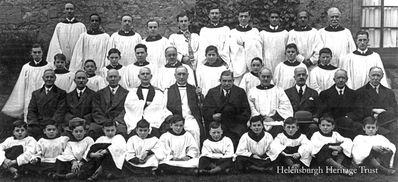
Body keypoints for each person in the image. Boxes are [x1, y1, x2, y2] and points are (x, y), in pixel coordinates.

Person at [2, 43, 50, 121]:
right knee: (31, 119)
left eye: (39, 52)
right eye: (34, 52)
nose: (37, 54)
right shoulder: (26, 67)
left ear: (42, 53)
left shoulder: (49, 66)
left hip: (45, 97)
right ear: (31, 53)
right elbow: (21, 85)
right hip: (30, 96)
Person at [203, 70, 251, 148]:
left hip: (235, 125)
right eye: (224, 81)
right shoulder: (212, 92)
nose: (226, 84)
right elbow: (205, 110)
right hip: (217, 125)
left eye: (229, 81)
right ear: (220, 81)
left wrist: (233, 117)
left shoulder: (240, 92)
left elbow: (246, 112)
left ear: (233, 81)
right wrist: (213, 116)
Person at [165, 66, 205, 147]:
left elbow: (201, 105)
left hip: (191, 118)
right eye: (179, 74)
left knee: (195, 130)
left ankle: (194, 154)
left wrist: (200, 95)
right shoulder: (169, 90)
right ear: (175, 75)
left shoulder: (193, 89)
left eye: (184, 74)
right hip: (176, 118)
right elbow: (165, 107)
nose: (181, 77)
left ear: (187, 75)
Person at [356, 67, 398, 143]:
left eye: (378, 75)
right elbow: (358, 110)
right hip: (369, 121)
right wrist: (373, 110)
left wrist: (382, 112)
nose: (375, 78)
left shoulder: (389, 92)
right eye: (373, 75)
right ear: (369, 75)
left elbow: (394, 109)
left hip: (386, 120)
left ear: (382, 76)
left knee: (395, 128)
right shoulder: (360, 92)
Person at [248, 68, 293, 137]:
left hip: (275, 122)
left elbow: (285, 106)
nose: (265, 79)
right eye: (263, 76)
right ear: (259, 77)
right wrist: (262, 118)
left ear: (271, 77)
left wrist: (273, 118)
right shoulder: (252, 91)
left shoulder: (279, 90)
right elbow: (251, 107)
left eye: (268, 76)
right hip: (258, 122)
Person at [124, 67, 170, 135]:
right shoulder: (132, 92)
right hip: (135, 121)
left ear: (151, 76)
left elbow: (162, 107)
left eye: (147, 74)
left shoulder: (158, 93)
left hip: (153, 122)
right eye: (143, 74)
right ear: (139, 76)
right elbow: (129, 106)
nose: (145, 76)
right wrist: (143, 104)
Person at [318, 69, 362, 139]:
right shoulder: (325, 94)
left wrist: (348, 117)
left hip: (349, 121)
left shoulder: (354, 94)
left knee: (358, 126)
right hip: (333, 121)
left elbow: (358, 111)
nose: (341, 80)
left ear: (347, 79)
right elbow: (323, 111)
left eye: (343, 78)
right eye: (338, 78)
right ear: (334, 79)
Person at [27, 69, 67, 140]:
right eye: (47, 77)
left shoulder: (61, 93)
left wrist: (50, 124)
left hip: (54, 123)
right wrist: (35, 123)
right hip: (39, 124)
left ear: (55, 78)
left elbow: (60, 111)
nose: (49, 79)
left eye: (51, 77)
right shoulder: (36, 94)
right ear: (43, 78)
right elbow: (31, 110)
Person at [46, 3, 86, 67]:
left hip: (76, 60)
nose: (69, 11)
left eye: (71, 9)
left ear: (74, 10)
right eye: (67, 9)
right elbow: (55, 44)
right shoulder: (59, 26)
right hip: (62, 61)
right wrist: (62, 58)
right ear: (64, 11)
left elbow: (83, 44)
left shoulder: (81, 26)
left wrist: (76, 58)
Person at [228, 8, 262, 84]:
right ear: (238, 17)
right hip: (238, 65)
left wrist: (244, 44)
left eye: (246, 16)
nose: (243, 18)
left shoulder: (254, 31)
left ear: (249, 17)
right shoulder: (233, 32)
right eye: (241, 16)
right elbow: (232, 48)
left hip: (251, 65)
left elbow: (258, 46)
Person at [92, 69, 128, 139]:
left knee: (122, 130)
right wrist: (105, 122)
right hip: (102, 122)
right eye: (110, 77)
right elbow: (96, 110)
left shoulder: (126, 93)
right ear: (107, 79)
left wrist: (117, 121)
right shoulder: (99, 93)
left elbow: (127, 110)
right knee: (93, 129)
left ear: (119, 78)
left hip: (118, 122)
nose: (113, 79)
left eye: (115, 77)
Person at [285, 67, 319, 137]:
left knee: (314, 127)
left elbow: (317, 109)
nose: (301, 77)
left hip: (309, 122)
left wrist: (315, 117)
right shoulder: (287, 93)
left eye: (303, 75)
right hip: (293, 121)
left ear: (306, 76)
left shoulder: (314, 93)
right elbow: (285, 108)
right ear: (294, 77)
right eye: (298, 75)